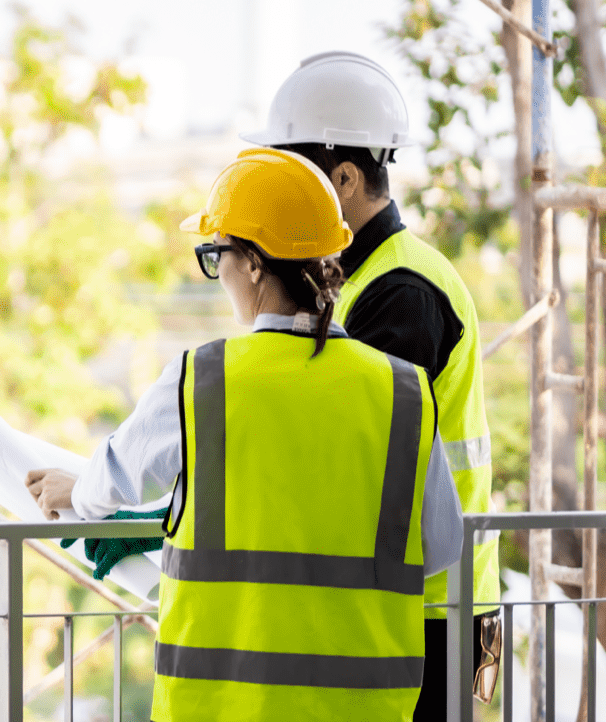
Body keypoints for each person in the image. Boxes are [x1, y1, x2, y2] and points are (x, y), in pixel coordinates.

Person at [27, 147, 463, 722]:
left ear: (254, 263)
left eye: (216, 254)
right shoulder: (402, 389)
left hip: (222, 705)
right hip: (365, 707)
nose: (218, 272)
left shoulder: (202, 378)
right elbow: (441, 547)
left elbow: (112, 482)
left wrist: (75, 491)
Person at [243, 50, 500, 718]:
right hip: (411, 601)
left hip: (429, 612)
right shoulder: (364, 280)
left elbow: (348, 454)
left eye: (294, 177)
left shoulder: (400, 293)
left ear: (347, 176)